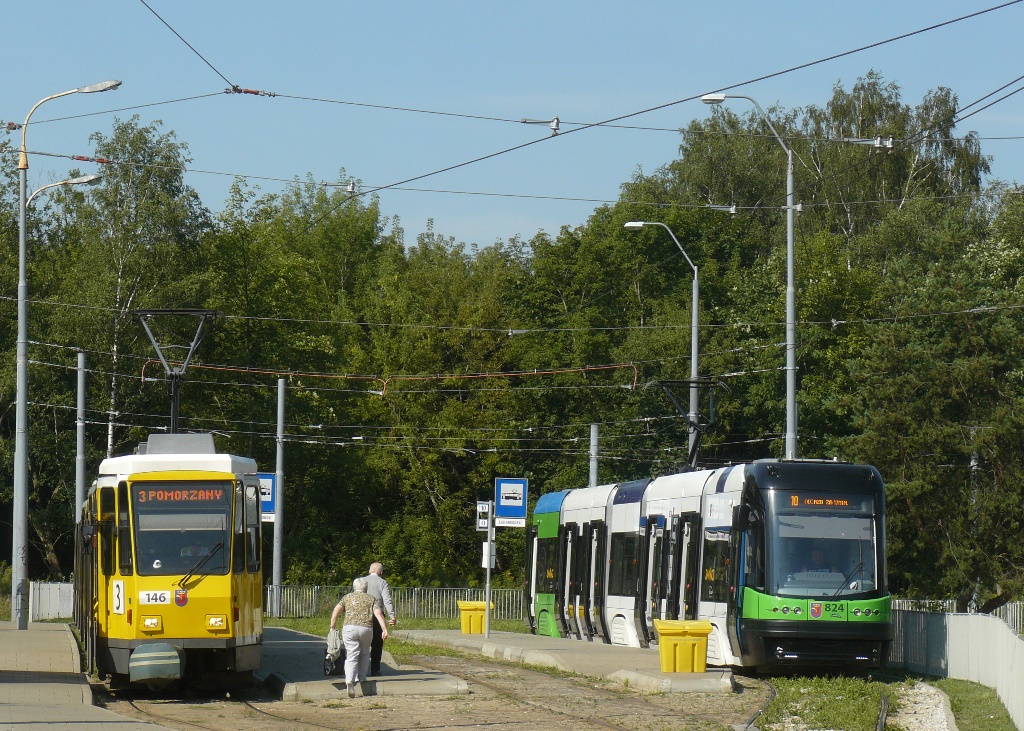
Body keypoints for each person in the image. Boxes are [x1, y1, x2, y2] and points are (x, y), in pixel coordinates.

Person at [330, 577, 389, 698]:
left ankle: (349, 680)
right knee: (364, 653)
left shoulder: (347, 597)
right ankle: (362, 677)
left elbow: (337, 610)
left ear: (354, 587)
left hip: (349, 628)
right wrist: (384, 629)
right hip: (366, 629)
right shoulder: (371, 598)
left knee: (351, 654)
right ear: (366, 588)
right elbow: (378, 613)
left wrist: (332, 626)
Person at [364, 562, 397, 676]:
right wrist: (392, 616)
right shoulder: (382, 583)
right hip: (377, 616)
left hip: (362, 614)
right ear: (381, 572)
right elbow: (387, 600)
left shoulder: (361, 581)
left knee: (361, 642)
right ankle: (375, 669)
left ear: (369, 571)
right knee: (377, 643)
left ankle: (359, 670)